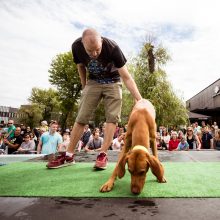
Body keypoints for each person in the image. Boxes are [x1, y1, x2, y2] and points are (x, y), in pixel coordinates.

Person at [47, 28, 142, 169]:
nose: (94, 54)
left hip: (113, 82)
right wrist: (84, 86)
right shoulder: (76, 47)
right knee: (81, 117)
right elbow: (81, 67)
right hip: (93, 82)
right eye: (90, 51)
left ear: (101, 42)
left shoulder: (113, 48)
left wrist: (139, 99)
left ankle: (103, 154)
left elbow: (126, 77)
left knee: (112, 118)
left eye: (97, 50)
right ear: (83, 44)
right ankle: (68, 156)